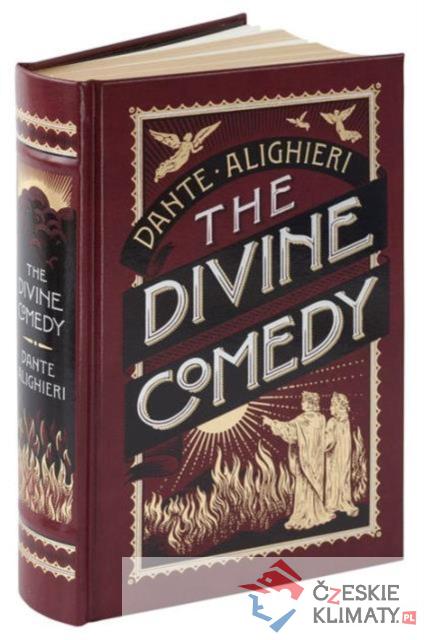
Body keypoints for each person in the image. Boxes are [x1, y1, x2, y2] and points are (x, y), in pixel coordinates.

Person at [263, 391, 335, 530]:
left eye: (304, 401)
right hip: (317, 461)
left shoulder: (303, 419)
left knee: (304, 486)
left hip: (304, 460)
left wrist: (271, 422)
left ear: (309, 403)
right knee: (315, 485)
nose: (302, 403)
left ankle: (306, 515)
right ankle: (317, 512)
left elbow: (290, 431)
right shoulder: (321, 418)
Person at [325, 392, 359, 517]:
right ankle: (337, 503)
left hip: (339, 455)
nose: (330, 408)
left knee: (338, 477)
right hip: (339, 456)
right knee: (338, 477)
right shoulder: (340, 421)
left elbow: (330, 441)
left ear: (338, 406)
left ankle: (338, 503)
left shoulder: (336, 421)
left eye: (332, 405)